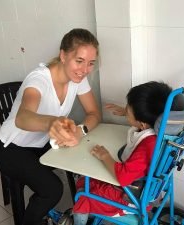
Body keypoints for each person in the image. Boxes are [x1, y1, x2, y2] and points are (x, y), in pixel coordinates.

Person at [0, 28, 101, 225]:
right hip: (11, 149)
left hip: (40, 144)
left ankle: (76, 211)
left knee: (82, 157)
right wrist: (51, 122)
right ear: (63, 55)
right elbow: (23, 118)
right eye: (79, 61)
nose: (85, 69)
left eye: (90, 63)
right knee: (53, 189)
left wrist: (79, 130)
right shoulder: (39, 79)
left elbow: (94, 113)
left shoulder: (78, 79)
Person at [72, 81, 172, 225]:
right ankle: (93, 212)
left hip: (130, 198)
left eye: (128, 111)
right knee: (83, 181)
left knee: (83, 197)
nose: (125, 111)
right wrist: (127, 113)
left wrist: (105, 156)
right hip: (141, 186)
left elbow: (123, 177)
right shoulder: (159, 131)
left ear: (142, 124)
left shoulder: (147, 145)